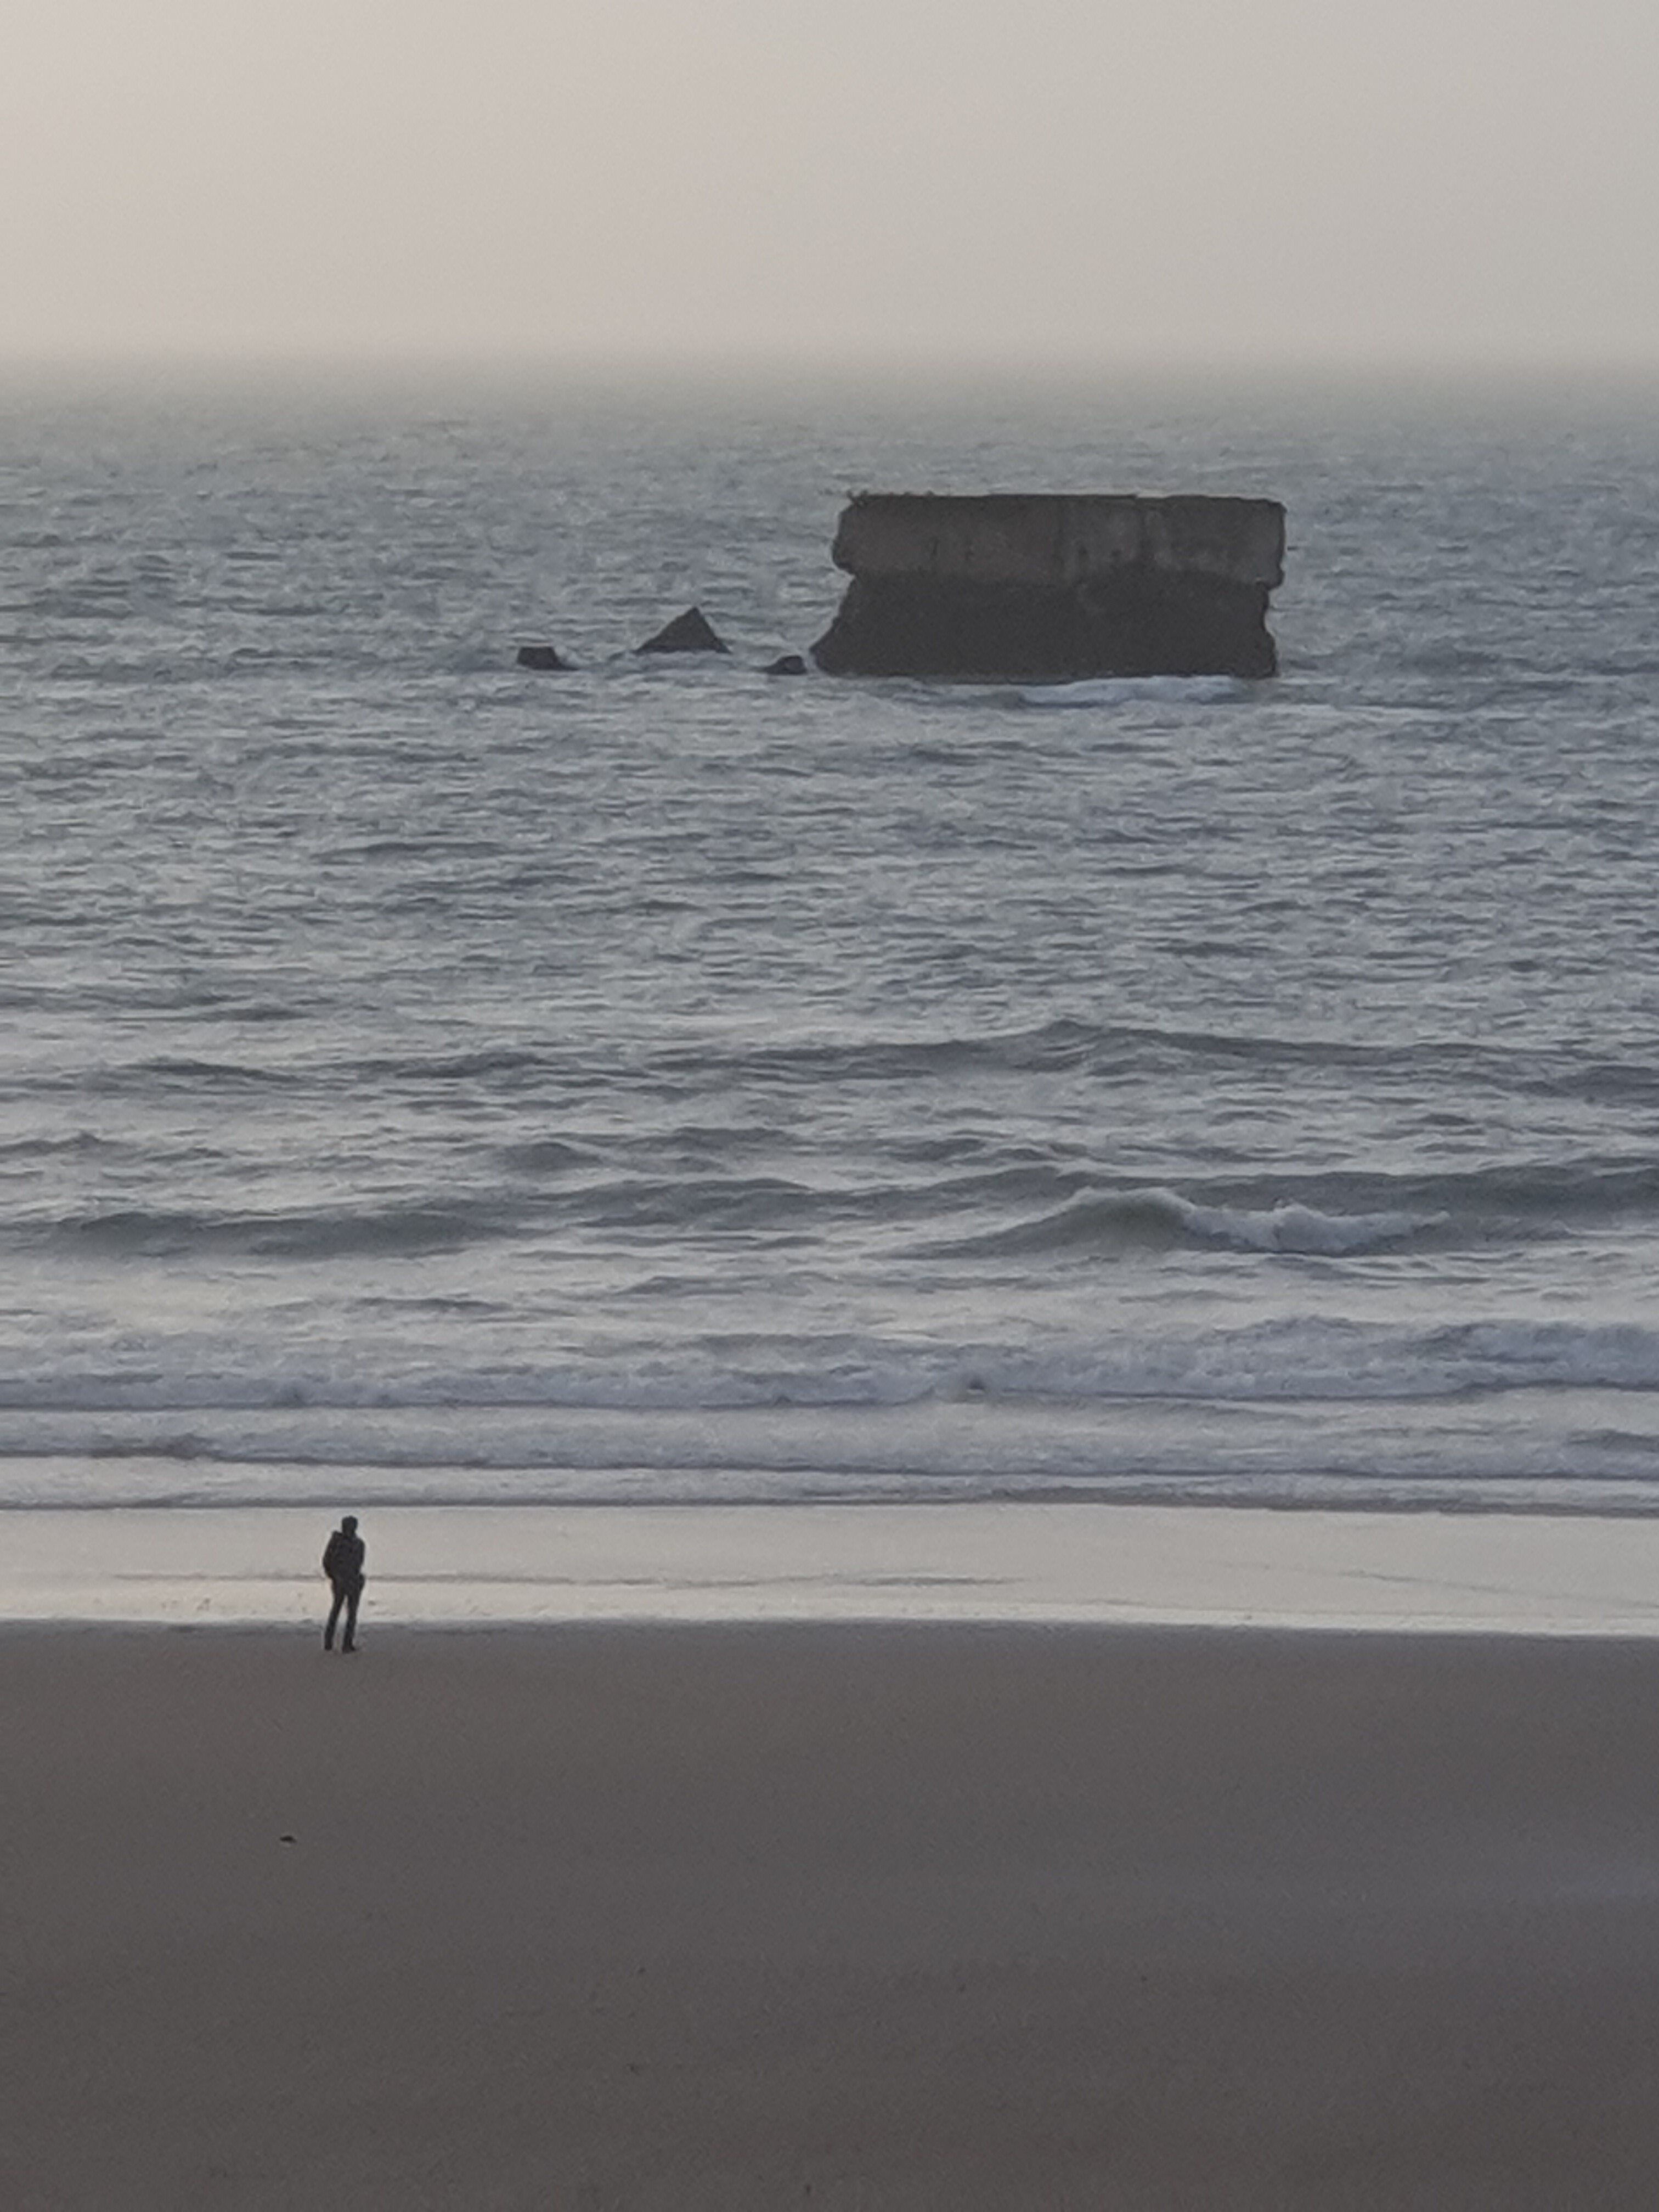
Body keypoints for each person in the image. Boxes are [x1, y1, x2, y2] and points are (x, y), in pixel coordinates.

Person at [321, 1515, 366, 1652]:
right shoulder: (336, 1542)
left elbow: (359, 1563)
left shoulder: (359, 1544)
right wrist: (334, 1577)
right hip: (340, 1580)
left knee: (352, 1613)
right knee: (336, 1610)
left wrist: (359, 1579)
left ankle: (348, 1643)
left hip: (353, 1581)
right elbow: (326, 1561)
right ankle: (328, 1642)